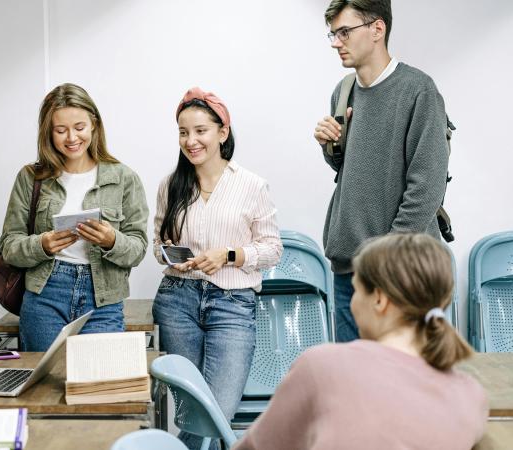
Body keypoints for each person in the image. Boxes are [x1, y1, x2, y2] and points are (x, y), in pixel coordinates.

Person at [234, 233, 488, 450]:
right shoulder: (471, 396)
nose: (352, 303)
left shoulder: (323, 365)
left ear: (379, 299)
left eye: (356, 290)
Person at [153, 87, 282, 450]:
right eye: (183, 132)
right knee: (190, 407)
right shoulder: (171, 185)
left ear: (222, 132)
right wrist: (171, 256)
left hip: (233, 303)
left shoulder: (252, 185)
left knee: (216, 409)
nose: (190, 141)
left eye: (200, 131)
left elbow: (273, 250)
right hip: (177, 300)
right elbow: (157, 245)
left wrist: (228, 255)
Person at [313, 0, 450, 342]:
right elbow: (350, 170)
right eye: (333, 33)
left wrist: (385, 260)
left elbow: (426, 188)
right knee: (353, 387)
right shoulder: (342, 91)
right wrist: (329, 145)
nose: (335, 42)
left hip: (400, 273)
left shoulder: (418, 90)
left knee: (406, 387)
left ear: (377, 29)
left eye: (344, 32)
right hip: (349, 272)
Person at [0, 83, 149, 351]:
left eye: (79, 127)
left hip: (103, 298)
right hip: (45, 295)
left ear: (94, 124)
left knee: (97, 387)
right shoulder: (30, 178)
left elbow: (138, 249)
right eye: (60, 130)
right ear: (48, 132)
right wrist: (42, 245)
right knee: (43, 387)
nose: (71, 138)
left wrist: (111, 240)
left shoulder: (124, 178)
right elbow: (9, 246)